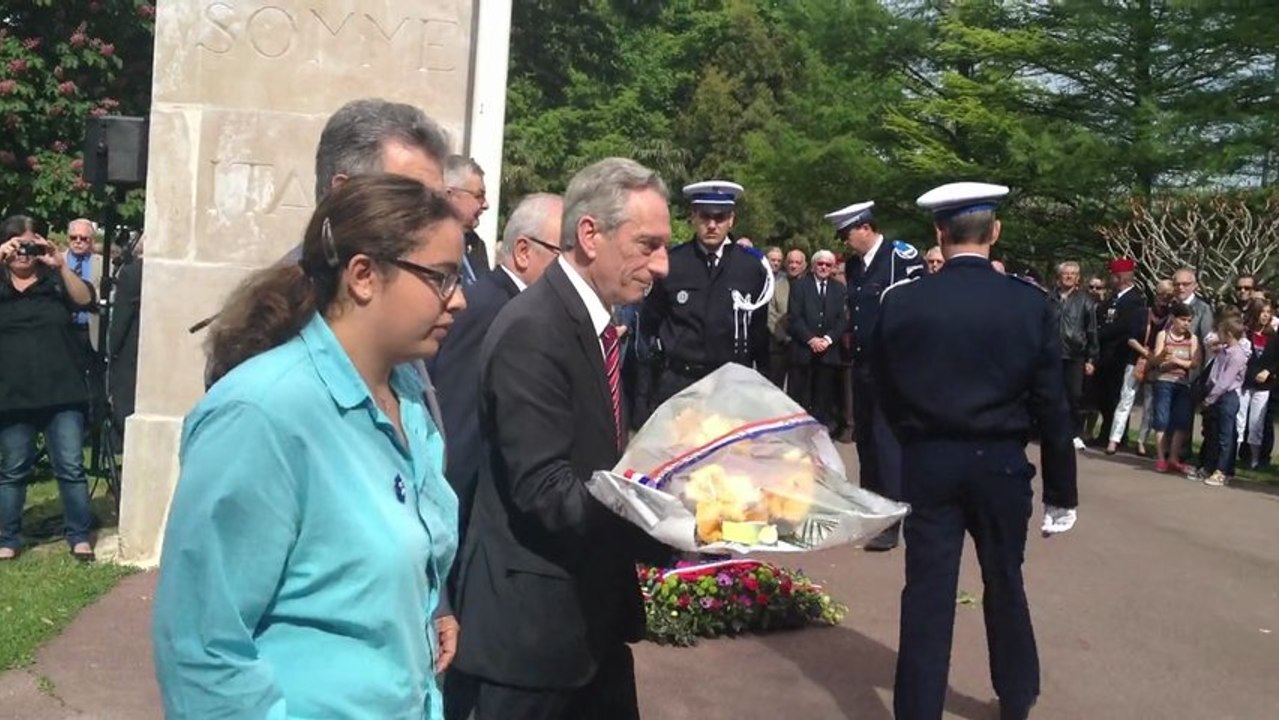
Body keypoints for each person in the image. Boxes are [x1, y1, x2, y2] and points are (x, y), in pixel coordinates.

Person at [153, 175, 467, 718]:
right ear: (363, 276)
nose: (459, 300)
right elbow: (201, 648)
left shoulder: (409, 396)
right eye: (440, 278)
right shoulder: (262, 413)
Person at [450, 158, 674, 720]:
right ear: (590, 235)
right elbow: (546, 491)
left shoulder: (592, 324)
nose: (662, 265)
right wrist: (675, 515)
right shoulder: (534, 328)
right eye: (647, 245)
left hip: (590, 627)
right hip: (534, 641)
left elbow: (599, 462)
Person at [872, 182, 1077, 720]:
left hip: (930, 458)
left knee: (928, 592)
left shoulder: (903, 301)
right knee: (1005, 580)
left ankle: (918, 709)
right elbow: (1053, 404)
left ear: (939, 232)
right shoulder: (1029, 303)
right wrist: (1061, 492)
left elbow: (882, 388)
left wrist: (913, 438)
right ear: (995, 232)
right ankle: (1017, 696)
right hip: (1000, 461)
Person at [431, 193, 563, 587]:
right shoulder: (493, 309)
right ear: (523, 251)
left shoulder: (516, 307)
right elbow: (460, 424)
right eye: (564, 253)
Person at [0, 216, 98, 562]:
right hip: (13, 394)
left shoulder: (55, 282)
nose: (23, 253)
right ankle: (8, 537)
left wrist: (60, 265)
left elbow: (85, 300)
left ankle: (79, 535)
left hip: (62, 391)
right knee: (14, 469)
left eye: (29, 244)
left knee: (70, 466)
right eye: (16, 244)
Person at [828, 199, 923, 551]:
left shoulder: (900, 257)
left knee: (887, 443)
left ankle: (892, 518)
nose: (844, 242)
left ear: (866, 228)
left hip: (892, 366)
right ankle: (871, 508)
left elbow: (916, 309)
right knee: (866, 440)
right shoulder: (856, 266)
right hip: (863, 364)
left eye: (847, 235)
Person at [640, 180, 771, 406]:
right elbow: (650, 322)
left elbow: (758, 332)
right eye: (705, 217)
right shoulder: (673, 263)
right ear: (693, 217)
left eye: (720, 217)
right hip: (680, 382)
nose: (712, 225)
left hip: (732, 384)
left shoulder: (751, 267)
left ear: (731, 219)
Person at [786, 249, 848, 431]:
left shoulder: (839, 289)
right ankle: (798, 431)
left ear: (833, 267)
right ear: (813, 266)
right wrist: (811, 339)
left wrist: (828, 339)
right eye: (820, 264)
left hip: (828, 353)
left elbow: (842, 319)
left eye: (828, 264)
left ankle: (820, 431)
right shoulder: (799, 286)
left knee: (824, 397)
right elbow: (795, 317)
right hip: (803, 351)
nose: (824, 267)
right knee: (801, 397)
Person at [1096, 258, 1147, 453]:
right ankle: (1105, 432)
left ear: (1121, 277)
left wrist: (1102, 333)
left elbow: (1124, 327)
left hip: (1121, 354)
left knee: (1117, 397)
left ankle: (1118, 436)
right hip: (1106, 354)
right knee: (1105, 396)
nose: (1111, 278)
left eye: (1113, 275)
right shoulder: (1112, 298)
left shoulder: (1135, 300)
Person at [1052, 261, 1098, 451]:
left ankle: (1075, 433)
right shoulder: (1049, 298)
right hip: (1052, 353)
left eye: (1073, 273)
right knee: (1052, 394)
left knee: (1075, 395)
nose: (1069, 276)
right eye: (1066, 273)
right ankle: (1053, 430)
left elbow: (1092, 330)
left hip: (1075, 354)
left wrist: (1091, 358)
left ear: (1078, 278)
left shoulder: (1085, 300)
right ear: (1059, 276)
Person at [1148, 302, 1199, 473]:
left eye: (1189, 320)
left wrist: (1177, 361)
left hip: (1182, 383)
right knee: (1162, 420)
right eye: (1183, 319)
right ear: (1173, 318)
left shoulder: (1192, 338)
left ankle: (1174, 458)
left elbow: (1195, 362)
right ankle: (1161, 458)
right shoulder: (1163, 335)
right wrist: (1162, 356)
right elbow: (1155, 361)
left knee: (1181, 421)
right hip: (1164, 381)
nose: (1186, 324)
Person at [1199, 315, 1249, 487]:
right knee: (1212, 433)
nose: (1217, 335)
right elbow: (1214, 372)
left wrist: (1210, 398)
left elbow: (1225, 381)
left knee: (1225, 436)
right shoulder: (1223, 350)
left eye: (1220, 332)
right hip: (1216, 394)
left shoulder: (1237, 355)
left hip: (1227, 396)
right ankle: (1209, 466)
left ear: (1228, 333)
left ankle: (1222, 470)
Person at [1237, 298, 1274, 468]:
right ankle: (1233, 454)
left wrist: (1268, 371)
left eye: (1268, 312)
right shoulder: (1246, 333)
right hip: (1245, 383)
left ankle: (1255, 459)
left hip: (1263, 386)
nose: (1265, 315)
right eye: (1262, 312)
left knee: (1256, 423)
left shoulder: (1273, 336)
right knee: (1239, 420)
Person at [445, 155, 492, 285]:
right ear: (449, 195)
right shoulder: (424, 245)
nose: (486, 205)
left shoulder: (476, 246)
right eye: (479, 196)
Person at [766, 248, 806, 388]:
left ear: (804, 265)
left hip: (802, 346)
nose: (793, 266)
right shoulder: (776, 286)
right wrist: (784, 337)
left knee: (798, 389)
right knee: (773, 388)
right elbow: (770, 314)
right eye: (790, 262)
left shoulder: (810, 287)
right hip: (779, 345)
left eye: (797, 262)